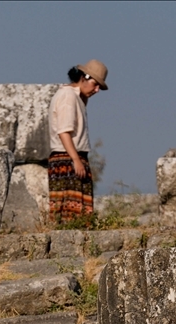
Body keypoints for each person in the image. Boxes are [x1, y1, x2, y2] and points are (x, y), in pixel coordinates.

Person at [47, 59, 108, 225]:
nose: (96, 90)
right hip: (67, 158)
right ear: (84, 78)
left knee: (79, 216)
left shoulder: (76, 98)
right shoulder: (67, 97)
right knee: (69, 216)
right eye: (95, 85)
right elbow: (64, 131)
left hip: (74, 156)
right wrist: (75, 160)